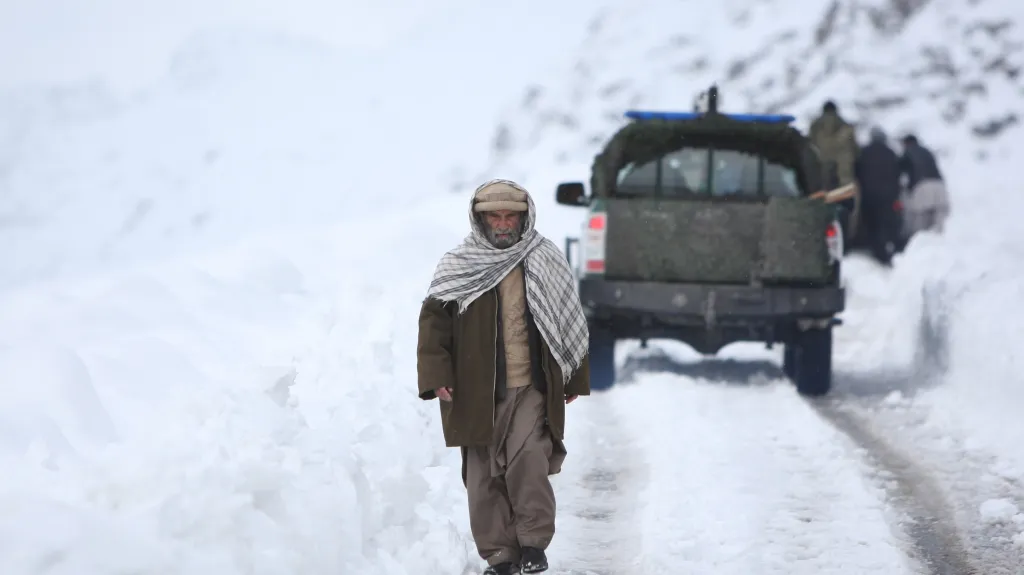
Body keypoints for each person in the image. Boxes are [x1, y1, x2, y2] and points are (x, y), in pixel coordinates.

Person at [417, 179, 591, 575]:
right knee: (482, 477)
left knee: (529, 459)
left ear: (524, 217)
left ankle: (532, 545)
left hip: (532, 384)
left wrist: (574, 377)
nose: (502, 223)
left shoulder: (544, 258)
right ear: (479, 220)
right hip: (474, 390)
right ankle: (499, 556)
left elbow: (570, 318)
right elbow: (433, 327)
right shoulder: (458, 264)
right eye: (493, 216)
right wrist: (436, 376)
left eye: (510, 215)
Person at [854, 126, 903, 265]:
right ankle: (891, 249)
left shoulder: (864, 152)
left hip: (869, 195)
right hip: (889, 196)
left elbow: (857, 171)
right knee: (888, 223)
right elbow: (897, 173)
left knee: (872, 224)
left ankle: (877, 252)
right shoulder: (891, 153)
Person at [899, 133, 950, 235]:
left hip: (922, 186)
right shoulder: (927, 151)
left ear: (906, 143)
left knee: (920, 224)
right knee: (938, 225)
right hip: (939, 185)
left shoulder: (907, 153)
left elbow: (902, 173)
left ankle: (920, 247)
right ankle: (939, 245)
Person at [809, 100, 860, 188]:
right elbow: (855, 149)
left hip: (822, 166)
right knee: (845, 190)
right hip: (843, 170)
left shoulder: (815, 126)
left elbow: (810, 145)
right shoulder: (845, 126)